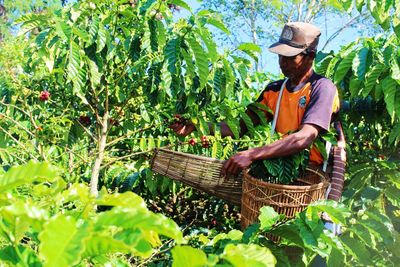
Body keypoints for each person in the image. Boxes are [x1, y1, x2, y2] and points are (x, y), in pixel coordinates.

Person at [170, 22, 343, 199]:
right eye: (281, 56)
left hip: (313, 180)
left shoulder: (322, 88)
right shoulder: (274, 91)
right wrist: (198, 126)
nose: (282, 62)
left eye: (290, 57)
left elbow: (305, 137)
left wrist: (253, 154)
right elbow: (238, 127)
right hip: (282, 177)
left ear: (310, 56)